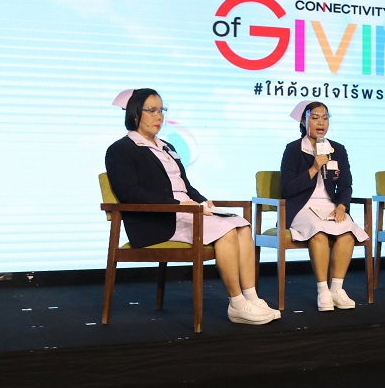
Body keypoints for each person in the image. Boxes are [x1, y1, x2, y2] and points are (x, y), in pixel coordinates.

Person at [105, 88, 279, 325]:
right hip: (158, 220)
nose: (159, 116)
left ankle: (251, 297)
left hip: (185, 212)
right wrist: (177, 204)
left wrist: (202, 201)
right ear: (135, 113)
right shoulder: (121, 149)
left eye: (161, 110)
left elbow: (184, 185)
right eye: (152, 110)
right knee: (227, 232)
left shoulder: (166, 146)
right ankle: (237, 304)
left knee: (242, 226)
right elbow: (130, 192)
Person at [280, 100, 369, 312]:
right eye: (315, 117)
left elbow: (345, 184)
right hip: (302, 207)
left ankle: (336, 289)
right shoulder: (293, 149)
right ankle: (323, 291)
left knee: (347, 231)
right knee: (318, 232)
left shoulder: (337, 149)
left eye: (325, 118)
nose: (321, 122)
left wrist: (342, 206)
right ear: (304, 121)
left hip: (330, 206)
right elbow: (288, 189)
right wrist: (314, 168)